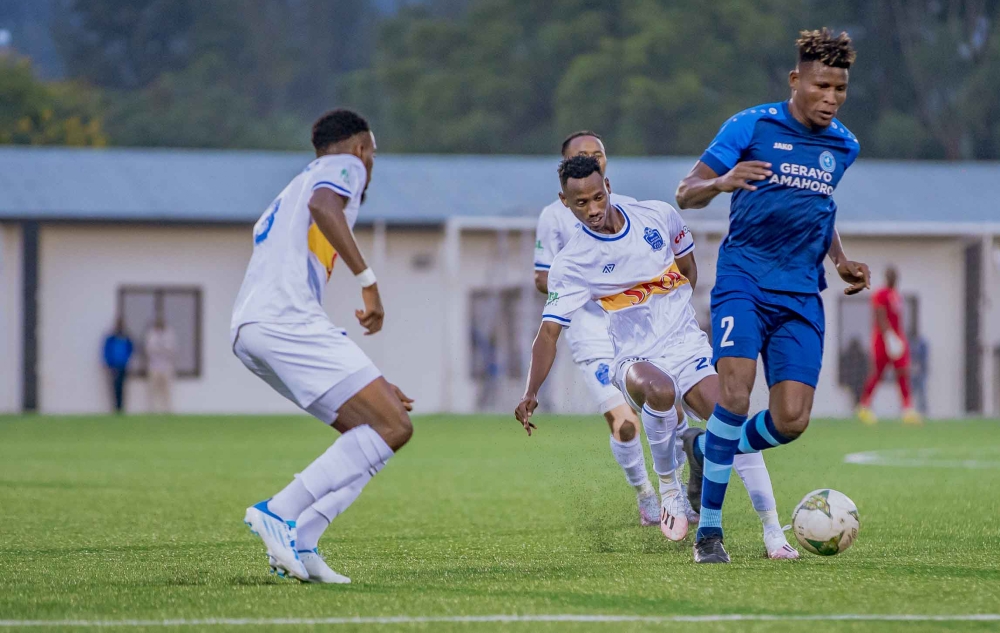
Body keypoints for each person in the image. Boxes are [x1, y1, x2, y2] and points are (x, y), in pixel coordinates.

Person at [517, 155, 798, 558]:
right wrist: (530, 392)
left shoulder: (657, 216)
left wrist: (678, 320)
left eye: (598, 197)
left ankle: (774, 533)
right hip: (634, 358)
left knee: (732, 425)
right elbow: (548, 333)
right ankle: (669, 488)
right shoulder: (573, 262)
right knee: (661, 390)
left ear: (608, 186)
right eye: (581, 204)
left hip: (686, 347)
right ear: (565, 202)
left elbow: (688, 268)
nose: (593, 210)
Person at [675, 28, 870, 563]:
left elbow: (818, 207)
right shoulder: (751, 125)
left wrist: (840, 259)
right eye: (822, 86)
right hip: (744, 280)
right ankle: (709, 533)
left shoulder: (844, 146)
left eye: (840, 89)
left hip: (802, 293)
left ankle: (705, 447)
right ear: (796, 80)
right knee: (734, 396)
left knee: (791, 420)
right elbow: (685, 193)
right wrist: (722, 182)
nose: (831, 98)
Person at [231, 109, 414, 583]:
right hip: (284, 322)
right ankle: (279, 511)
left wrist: (370, 380)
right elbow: (324, 208)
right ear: (359, 147)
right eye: (372, 154)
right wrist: (368, 281)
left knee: (379, 424)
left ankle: (304, 539)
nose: (370, 166)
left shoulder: (288, 190)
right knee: (394, 425)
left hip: (256, 328)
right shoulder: (342, 168)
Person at [534, 131, 658, 527]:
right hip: (590, 331)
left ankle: (679, 492)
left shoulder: (631, 210)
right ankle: (646, 495)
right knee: (625, 422)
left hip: (639, 326)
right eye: (583, 155)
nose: (593, 158)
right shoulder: (554, 217)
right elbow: (542, 278)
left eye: (598, 154)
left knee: (667, 414)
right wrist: (581, 284)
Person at [857, 267, 922, 425]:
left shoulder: (896, 296)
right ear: (887, 277)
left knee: (902, 372)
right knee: (878, 373)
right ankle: (864, 407)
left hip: (897, 338)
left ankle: (908, 409)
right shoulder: (880, 294)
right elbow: (879, 314)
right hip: (883, 339)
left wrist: (897, 337)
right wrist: (889, 336)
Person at [144, 314, 177, 413]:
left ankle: (168, 410)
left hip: (166, 366)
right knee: (153, 390)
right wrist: (160, 349)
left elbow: (173, 349)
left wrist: (162, 349)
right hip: (154, 366)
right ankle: (152, 409)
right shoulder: (151, 334)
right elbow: (149, 349)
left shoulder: (169, 333)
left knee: (167, 390)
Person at [103, 317, 133, 414]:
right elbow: (107, 352)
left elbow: (131, 349)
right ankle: (115, 407)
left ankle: (121, 407)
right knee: (114, 388)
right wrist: (109, 364)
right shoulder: (111, 339)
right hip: (113, 367)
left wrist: (127, 361)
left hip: (123, 366)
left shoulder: (126, 338)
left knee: (122, 388)